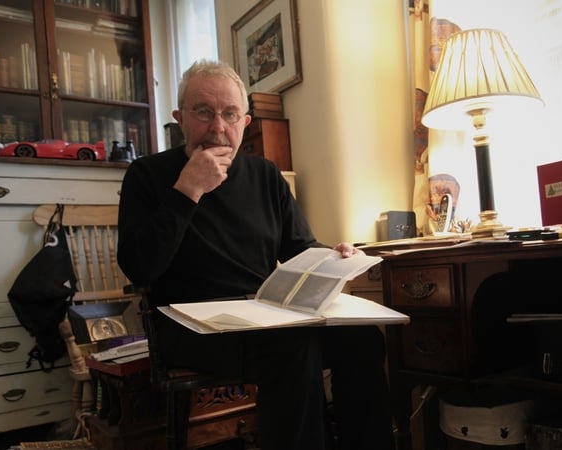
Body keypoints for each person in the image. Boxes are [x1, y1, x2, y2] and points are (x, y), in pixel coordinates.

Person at [116, 59, 395, 450]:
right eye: (203, 112)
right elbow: (139, 267)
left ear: (245, 123)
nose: (217, 127)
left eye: (230, 114)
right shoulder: (146, 175)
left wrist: (332, 257)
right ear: (180, 118)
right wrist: (188, 190)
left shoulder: (265, 174)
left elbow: (300, 248)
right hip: (188, 325)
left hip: (264, 316)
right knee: (293, 346)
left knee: (362, 340)